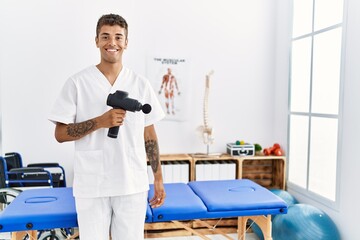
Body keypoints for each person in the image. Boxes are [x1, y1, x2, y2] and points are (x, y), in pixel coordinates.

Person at [48, 14, 166, 240]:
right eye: (106, 37)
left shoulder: (140, 84)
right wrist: (100, 122)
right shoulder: (78, 83)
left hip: (131, 183)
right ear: (96, 41)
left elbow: (149, 134)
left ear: (126, 43)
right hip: (93, 185)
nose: (112, 43)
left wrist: (158, 178)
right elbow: (60, 133)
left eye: (118, 37)